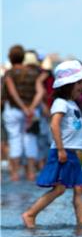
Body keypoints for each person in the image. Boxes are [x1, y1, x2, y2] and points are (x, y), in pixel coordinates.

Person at [22, 61, 82, 228]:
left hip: (70, 153)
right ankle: (30, 214)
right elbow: (54, 124)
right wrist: (60, 149)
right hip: (62, 152)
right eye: (78, 83)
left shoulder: (72, 104)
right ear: (67, 85)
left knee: (79, 188)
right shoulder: (61, 102)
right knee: (59, 189)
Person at [2, 44, 45, 180]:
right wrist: (31, 107)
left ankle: (15, 174)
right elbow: (41, 92)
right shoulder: (34, 73)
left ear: (10, 57)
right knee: (30, 139)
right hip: (32, 112)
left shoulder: (10, 73)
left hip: (14, 110)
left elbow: (13, 93)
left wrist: (23, 108)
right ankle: (31, 173)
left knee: (15, 139)